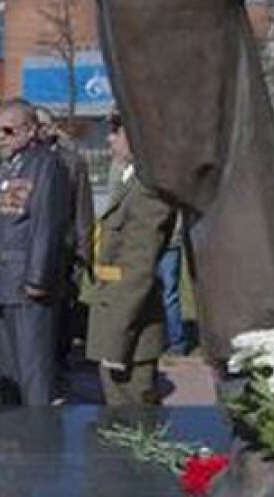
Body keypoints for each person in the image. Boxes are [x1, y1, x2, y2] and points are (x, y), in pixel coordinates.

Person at [0, 99, 70, 406]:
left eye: (8, 130)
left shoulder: (46, 164)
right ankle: (14, 435)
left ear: (30, 130)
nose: (1, 137)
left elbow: (47, 224)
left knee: (33, 371)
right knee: (8, 373)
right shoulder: (5, 165)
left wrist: (38, 277)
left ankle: (40, 440)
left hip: (24, 283)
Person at [86, 114, 175, 406]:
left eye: (116, 131)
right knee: (118, 416)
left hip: (130, 330)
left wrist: (116, 340)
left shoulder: (148, 191)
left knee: (132, 417)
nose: (109, 139)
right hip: (115, 315)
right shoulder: (131, 179)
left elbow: (137, 271)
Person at [38, 111, 95, 373]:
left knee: (63, 310)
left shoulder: (71, 162)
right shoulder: (20, 161)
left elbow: (83, 210)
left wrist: (84, 252)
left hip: (64, 250)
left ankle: (60, 362)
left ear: (53, 129)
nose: (40, 130)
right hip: (32, 253)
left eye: (44, 125)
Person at [157, 211, 188, 356]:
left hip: (169, 243)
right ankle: (171, 340)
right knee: (168, 294)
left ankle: (176, 342)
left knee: (168, 294)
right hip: (160, 242)